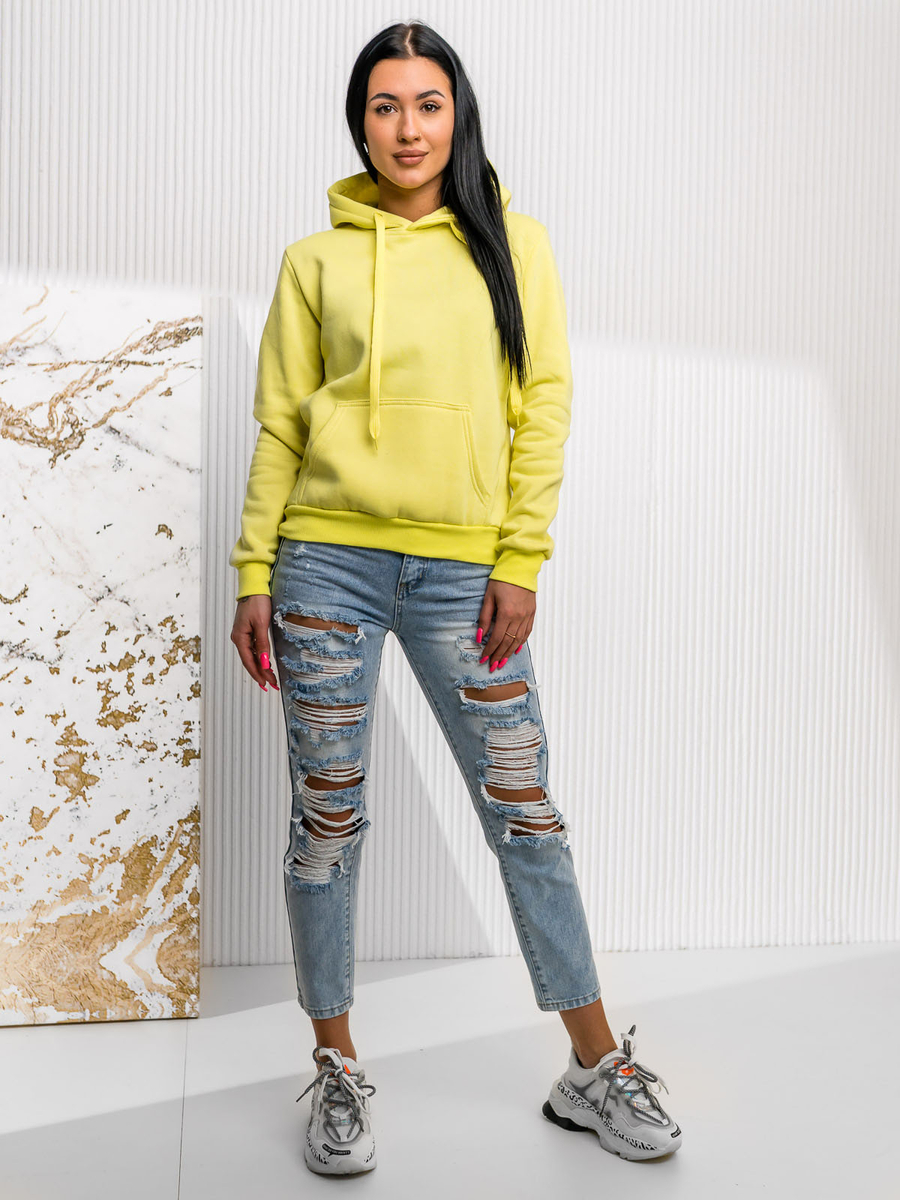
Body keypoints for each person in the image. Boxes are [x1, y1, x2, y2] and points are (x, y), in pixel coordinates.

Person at [229, 20, 682, 1177]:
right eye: (384, 106)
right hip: (324, 563)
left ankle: (592, 1065)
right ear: (359, 122)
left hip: (465, 573)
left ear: (458, 115)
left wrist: (519, 556)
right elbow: (280, 427)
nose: (408, 127)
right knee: (326, 823)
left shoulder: (513, 245)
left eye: (427, 104)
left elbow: (545, 404)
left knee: (525, 812)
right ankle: (336, 1066)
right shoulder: (315, 263)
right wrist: (253, 571)